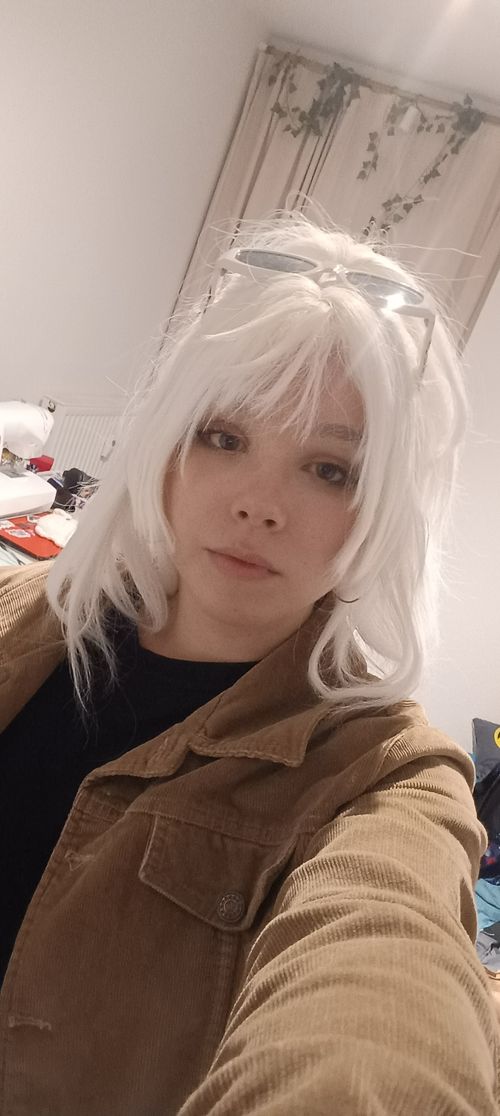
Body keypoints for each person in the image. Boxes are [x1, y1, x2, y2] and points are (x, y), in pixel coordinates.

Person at [0, 209, 498, 1115]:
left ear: (385, 509)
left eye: (331, 470)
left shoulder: (385, 777)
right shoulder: (28, 612)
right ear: (168, 450)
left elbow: (382, 1003)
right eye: (225, 438)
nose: (259, 503)